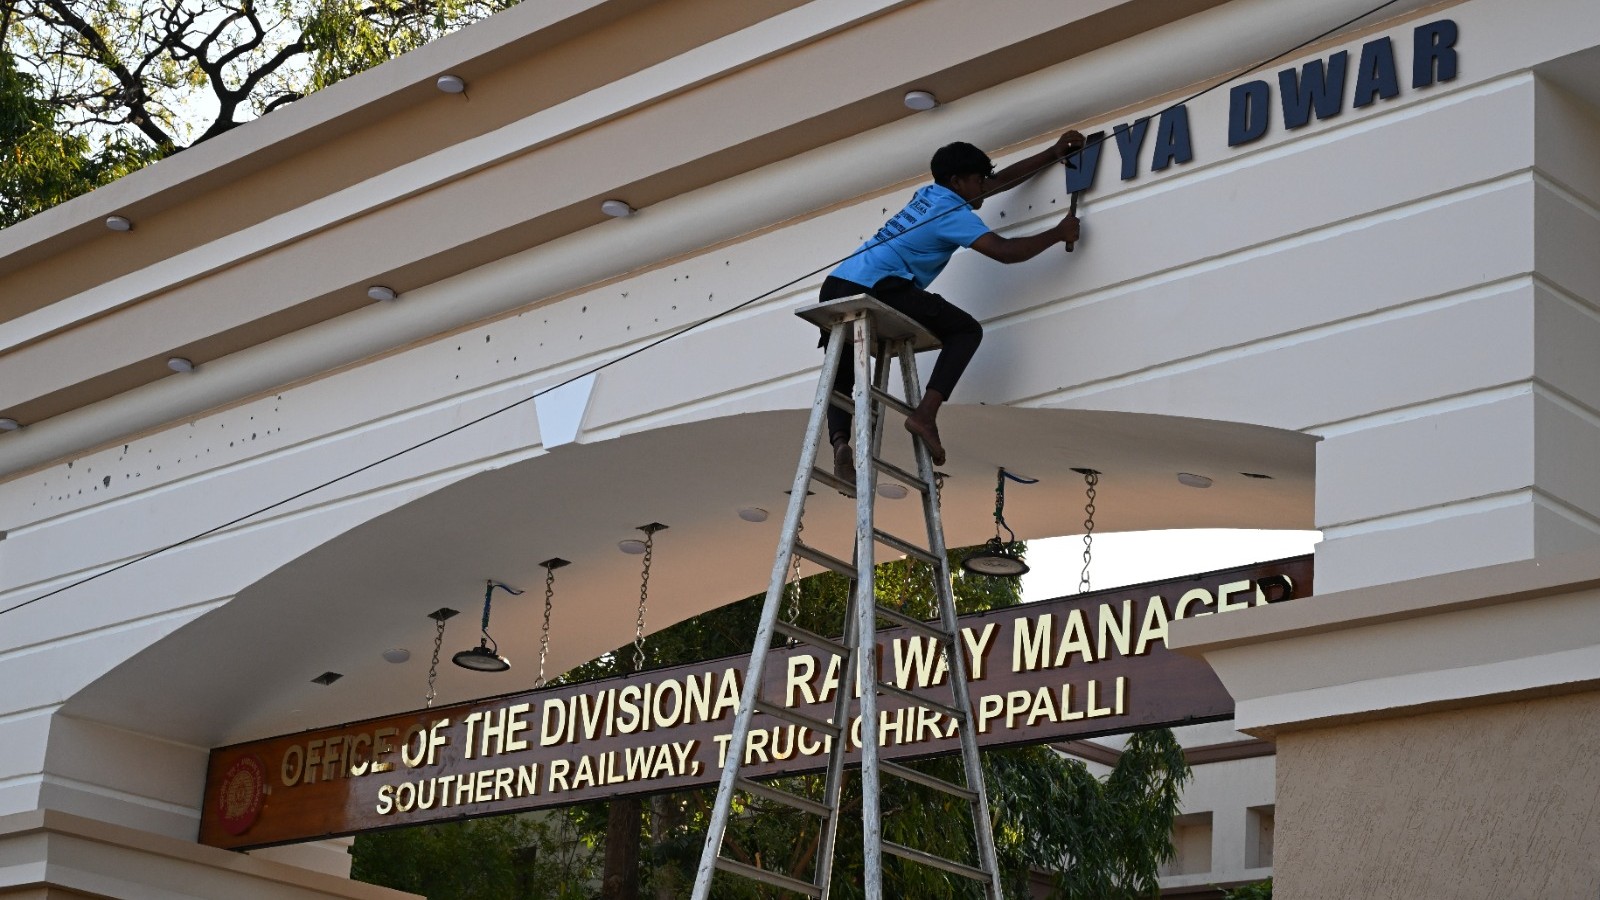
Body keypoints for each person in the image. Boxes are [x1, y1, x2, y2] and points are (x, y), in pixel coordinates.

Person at [819, 130, 1085, 475]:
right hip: (878, 286)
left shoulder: (929, 194)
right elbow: (1004, 252)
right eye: (978, 180)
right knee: (965, 331)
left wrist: (1052, 153)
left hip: (837, 284)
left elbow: (1000, 182)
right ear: (958, 182)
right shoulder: (952, 213)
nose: (984, 187)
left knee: (842, 369)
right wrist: (1057, 233)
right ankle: (925, 414)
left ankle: (840, 442)